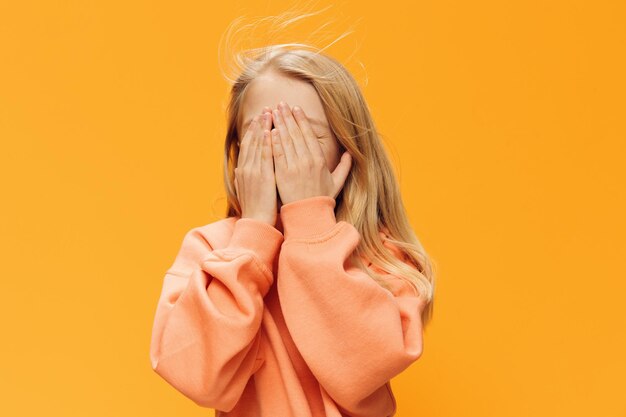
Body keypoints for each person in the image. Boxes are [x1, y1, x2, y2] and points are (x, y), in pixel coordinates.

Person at [149, 44, 436, 417]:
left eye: (303, 136)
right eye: (263, 133)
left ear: (347, 149)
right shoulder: (212, 248)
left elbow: (361, 371)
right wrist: (252, 236)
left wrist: (311, 225)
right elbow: (198, 378)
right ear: (238, 153)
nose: (282, 150)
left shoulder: (383, 256)